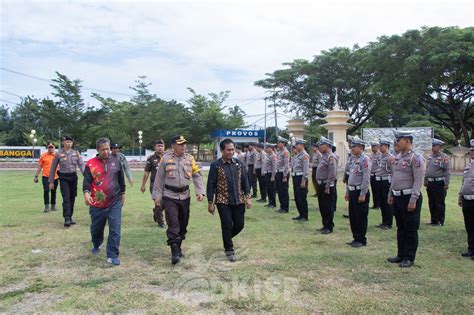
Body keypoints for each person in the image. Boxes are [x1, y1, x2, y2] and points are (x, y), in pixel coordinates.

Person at [152, 135, 205, 265]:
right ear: (173, 146)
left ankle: (178, 246)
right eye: (180, 144)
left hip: (185, 196)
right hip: (169, 196)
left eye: (184, 144)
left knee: (183, 224)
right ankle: (174, 252)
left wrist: (200, 192)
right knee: (173, 223)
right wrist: (157, 196)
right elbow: (158, 179)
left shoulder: (189, 158)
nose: (183, 146)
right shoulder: (165, 159)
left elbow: (197, 175)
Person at [207, 139, 251, 262]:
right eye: (228, 150)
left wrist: (247, 197)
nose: (231, 152)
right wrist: (210, 202)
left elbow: (245, 181)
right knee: (226, 225)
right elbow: (211, 184)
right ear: (222, 150)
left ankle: (227, 238)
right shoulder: (216, 165)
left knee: (239, 225)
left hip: (239, 200)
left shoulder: (239, 163)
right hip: (223, 200)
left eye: (232, 149)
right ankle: (229, 249)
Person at [83, 138, 125, 266]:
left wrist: (123, 194)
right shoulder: (90, 164)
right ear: (97, 150)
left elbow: (121, 180)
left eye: (108, 149)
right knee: (96, 229)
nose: (106, 151)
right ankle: (97, 243)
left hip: (115, 201)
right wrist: (86, 194)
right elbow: (87, 182)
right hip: (97, 203)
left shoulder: (117, 162)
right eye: (103, 149)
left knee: (115, 228)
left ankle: (112, 255)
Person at [387, 130, 425, 268]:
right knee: (400, 228)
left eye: (399, 140)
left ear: (407, 141)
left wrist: (413, 199)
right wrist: (391, 193)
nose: (397, 142)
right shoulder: (398, 157)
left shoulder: (416, 158)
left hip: (409, 196)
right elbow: (395, 178)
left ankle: (409, 258)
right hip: (397, 196)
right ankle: (400, 254)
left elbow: (418, 180)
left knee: (410, 229)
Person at [49, 136, 85, 227]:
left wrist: (87, 177)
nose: (69, 143)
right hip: (63, 177)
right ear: (63, 143)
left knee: (72, 197)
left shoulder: (76, 153)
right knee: (66, 197)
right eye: (67, 142)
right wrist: (51, 181)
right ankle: (67, 218)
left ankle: (70, 216)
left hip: (73, 177)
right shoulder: (58, 154)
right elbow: (53, 168)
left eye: (70, 142)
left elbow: (82, 165)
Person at [345, 138, 371, 247]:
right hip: (352, 191)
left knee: (360, 217)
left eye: (353, 147)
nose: (351, 149)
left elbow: (366, 178)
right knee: (353, 217)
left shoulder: (365, 159)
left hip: (360, 191)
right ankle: (355, 237)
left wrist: (363, 193)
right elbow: (350, 176)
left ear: (360, 147)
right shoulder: (352, 159)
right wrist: (347, 191)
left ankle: (361, 239)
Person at [425, 139, 450, 226]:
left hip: (439, 183)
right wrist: (425, 180)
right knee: (431, 202)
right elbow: (427, 169)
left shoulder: (444, 157)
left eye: (434, 146)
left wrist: (446, 183)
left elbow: (447, 171)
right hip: (430, 182)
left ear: (439, 147)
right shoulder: (430, 157)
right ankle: (433, 219)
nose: (433, 148)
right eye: (432, 146)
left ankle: (440, 220)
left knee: (439, 202)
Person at [141, 140, 166, 228]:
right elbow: (146, 173)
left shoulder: (168, 157)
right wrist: (143, 185)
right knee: (158, 202)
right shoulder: (151, 159)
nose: (160, 147)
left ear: (164, 147)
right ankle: (161, 222)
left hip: (167, 185)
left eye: (162, 146)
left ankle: (156, 212)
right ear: (155, 147)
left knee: (166, 203)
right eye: (158, 146)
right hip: (155, 185)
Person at [316, 136, 338, 234]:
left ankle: (329, 226)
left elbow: (332, 173)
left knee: (328, 206)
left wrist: (328, 186)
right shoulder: (323, 156)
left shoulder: (331, 157)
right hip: (321, 184)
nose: (319, 147)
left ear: (328, 146)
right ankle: (325, 224)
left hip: (326, 185)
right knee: (322, 206)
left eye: (322, 145)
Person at [459, 139, 474, 260]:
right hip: (467, 199)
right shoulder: (469, 165)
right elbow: (464, 182)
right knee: (469, 226)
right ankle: (471, 249)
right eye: (471, 150)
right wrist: (460, 196)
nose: (472, 152)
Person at [374, 139, 394, 229]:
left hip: (386, 181)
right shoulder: (381, 157)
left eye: (381, 146)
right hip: (379, 181)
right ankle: (384, 221)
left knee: (387, 202)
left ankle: (388, 222)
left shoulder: (390, 157)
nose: (379, 147)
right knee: (381, 202)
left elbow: (393, 172)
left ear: (386, 146)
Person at [34, 142, 59, 213]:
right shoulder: (43, 156)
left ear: (54, 148)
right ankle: (46, 206)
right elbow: (39, 167)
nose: (50, 148)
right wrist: (36, 176)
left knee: (54, 191)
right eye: (49, 147)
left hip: (55, 177)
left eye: (52, 147)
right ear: (47, 148)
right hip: (45, 176)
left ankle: (53, 206)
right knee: (46, 191)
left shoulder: (57, 156)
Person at [291, 139, 310, 222]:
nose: (296, 146)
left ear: (302, 145)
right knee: (297, 197)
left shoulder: (305, 155)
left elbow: (305, 170)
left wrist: (303, 181)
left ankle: (304, 216)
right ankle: (300, 214)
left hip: (301, 178)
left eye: (297, 145)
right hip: (295, 177)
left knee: (302, 197)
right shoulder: (297, 155)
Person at [275, 136, 290, 213]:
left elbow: (286, 165)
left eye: (279, 142)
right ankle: (282, 206)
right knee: (279, 191)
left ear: (283, 143)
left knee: (284, 191)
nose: (278, 144)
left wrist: (285, 175)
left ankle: (285, 208)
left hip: (283, 173)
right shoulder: (279, 151)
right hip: (278, 172)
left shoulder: (286, 152)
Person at [263, 144, 277, 209]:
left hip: (271, 173)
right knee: (268, 189)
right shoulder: (267, 155)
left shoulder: (273, 155)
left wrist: (273, 176)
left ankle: (273, 203)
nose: (266, 149)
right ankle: (270, 202)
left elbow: (274, 167)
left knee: (272, 189)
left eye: (267, 148)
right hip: (267, 173)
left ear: (271, 148)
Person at [370, 141, 381, 209]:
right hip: (372, 175)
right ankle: (375, 204)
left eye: (373, 147)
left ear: (377, 147)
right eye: (372, 147)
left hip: (377, 175)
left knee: (377, 190)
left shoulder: (379, 155)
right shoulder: (371, 155)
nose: (372, 148)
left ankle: (378, 204)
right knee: (373, 190)